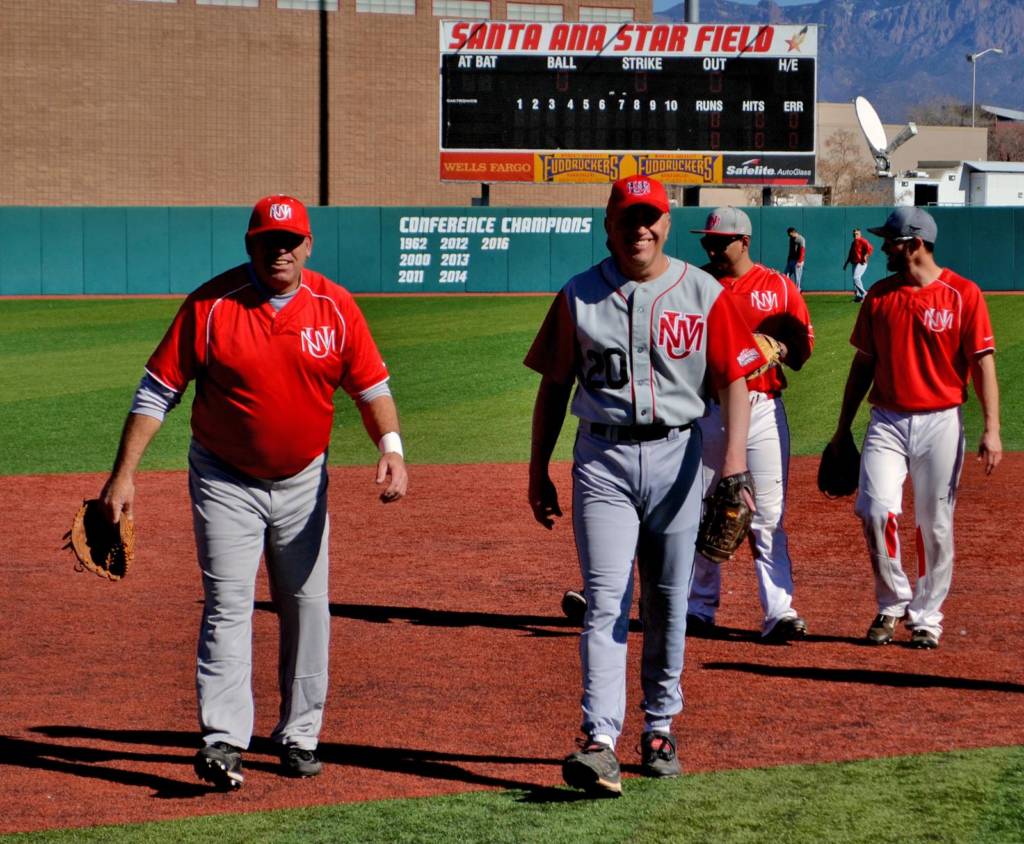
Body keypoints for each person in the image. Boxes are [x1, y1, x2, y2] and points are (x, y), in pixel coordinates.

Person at [97, 194, 408, 789]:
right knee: (228, 604)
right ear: (251, 245)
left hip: (303, 482)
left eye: (291, 240)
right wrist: (124, 473)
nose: (281, 250)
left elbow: (372, 389)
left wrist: (391, 449)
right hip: (224, 479)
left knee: (307, 607)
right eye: (269, 240)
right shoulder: (211, 306)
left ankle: (299, 735)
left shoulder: (336, 308)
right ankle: (222, 740)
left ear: (308, 246)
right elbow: (156, 391)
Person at [526, 176, 762, 797]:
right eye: (629, 218)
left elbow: (734, 380)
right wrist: (537, 468)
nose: (641, 229)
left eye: (652, 217)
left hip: (678, 455)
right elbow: (553, 386)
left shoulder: (703, 290)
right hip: (601, 458)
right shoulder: (579, 296)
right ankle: (599, 739)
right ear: (609, 223)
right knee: (606, 600)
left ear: (665, 222)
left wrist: (733, 463)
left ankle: (659, 725)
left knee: (665, 602)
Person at [828, 206, 1001, 650]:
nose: (883, 247)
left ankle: (927, 615)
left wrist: (992, 428)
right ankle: (892, 602)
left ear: (915, 243)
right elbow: (862, 364)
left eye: (891, 241)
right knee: (875, 510)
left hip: (942, 421)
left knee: (934, 524)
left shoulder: (963, 293)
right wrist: (843, 427)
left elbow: (982, 363)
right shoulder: (881, 296)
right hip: (886, 419)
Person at [686, 208, 815, 642]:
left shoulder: (778, 286)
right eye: (707, 240)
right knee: (704, 510)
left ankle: (779, 611)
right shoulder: (695, 284)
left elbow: (803, 347)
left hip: (762, 407)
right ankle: (697, 608)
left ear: (744, 241)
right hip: (708, 407)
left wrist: (778, 345)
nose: (711, 248)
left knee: (768, 516)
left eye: (719, 241)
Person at [843, 228, 874, 302]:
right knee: (855, 281)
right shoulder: (853, 242)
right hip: (854, 263)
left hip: (861, 263)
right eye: (854, 233)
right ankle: (858, 297)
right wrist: (846, 263)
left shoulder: (863, 240)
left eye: (857, 233)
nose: (855, 235)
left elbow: (870, 248)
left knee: (856, 278)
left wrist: (866, 255)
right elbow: (850, 254)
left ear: (860, 234)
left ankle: (865, 294)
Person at [784, 226, 806, 290]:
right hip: (791, 260)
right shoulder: (791, 239)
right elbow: (790, 250)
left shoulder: (801, 239)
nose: (789, 235)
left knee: (797, 279)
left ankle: (798, 291)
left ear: (793, 232)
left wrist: (800, 261)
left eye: (789, 234)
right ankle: (787, 290)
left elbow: (803, 250)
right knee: (785, 275)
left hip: (798, 261)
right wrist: (788, 259)